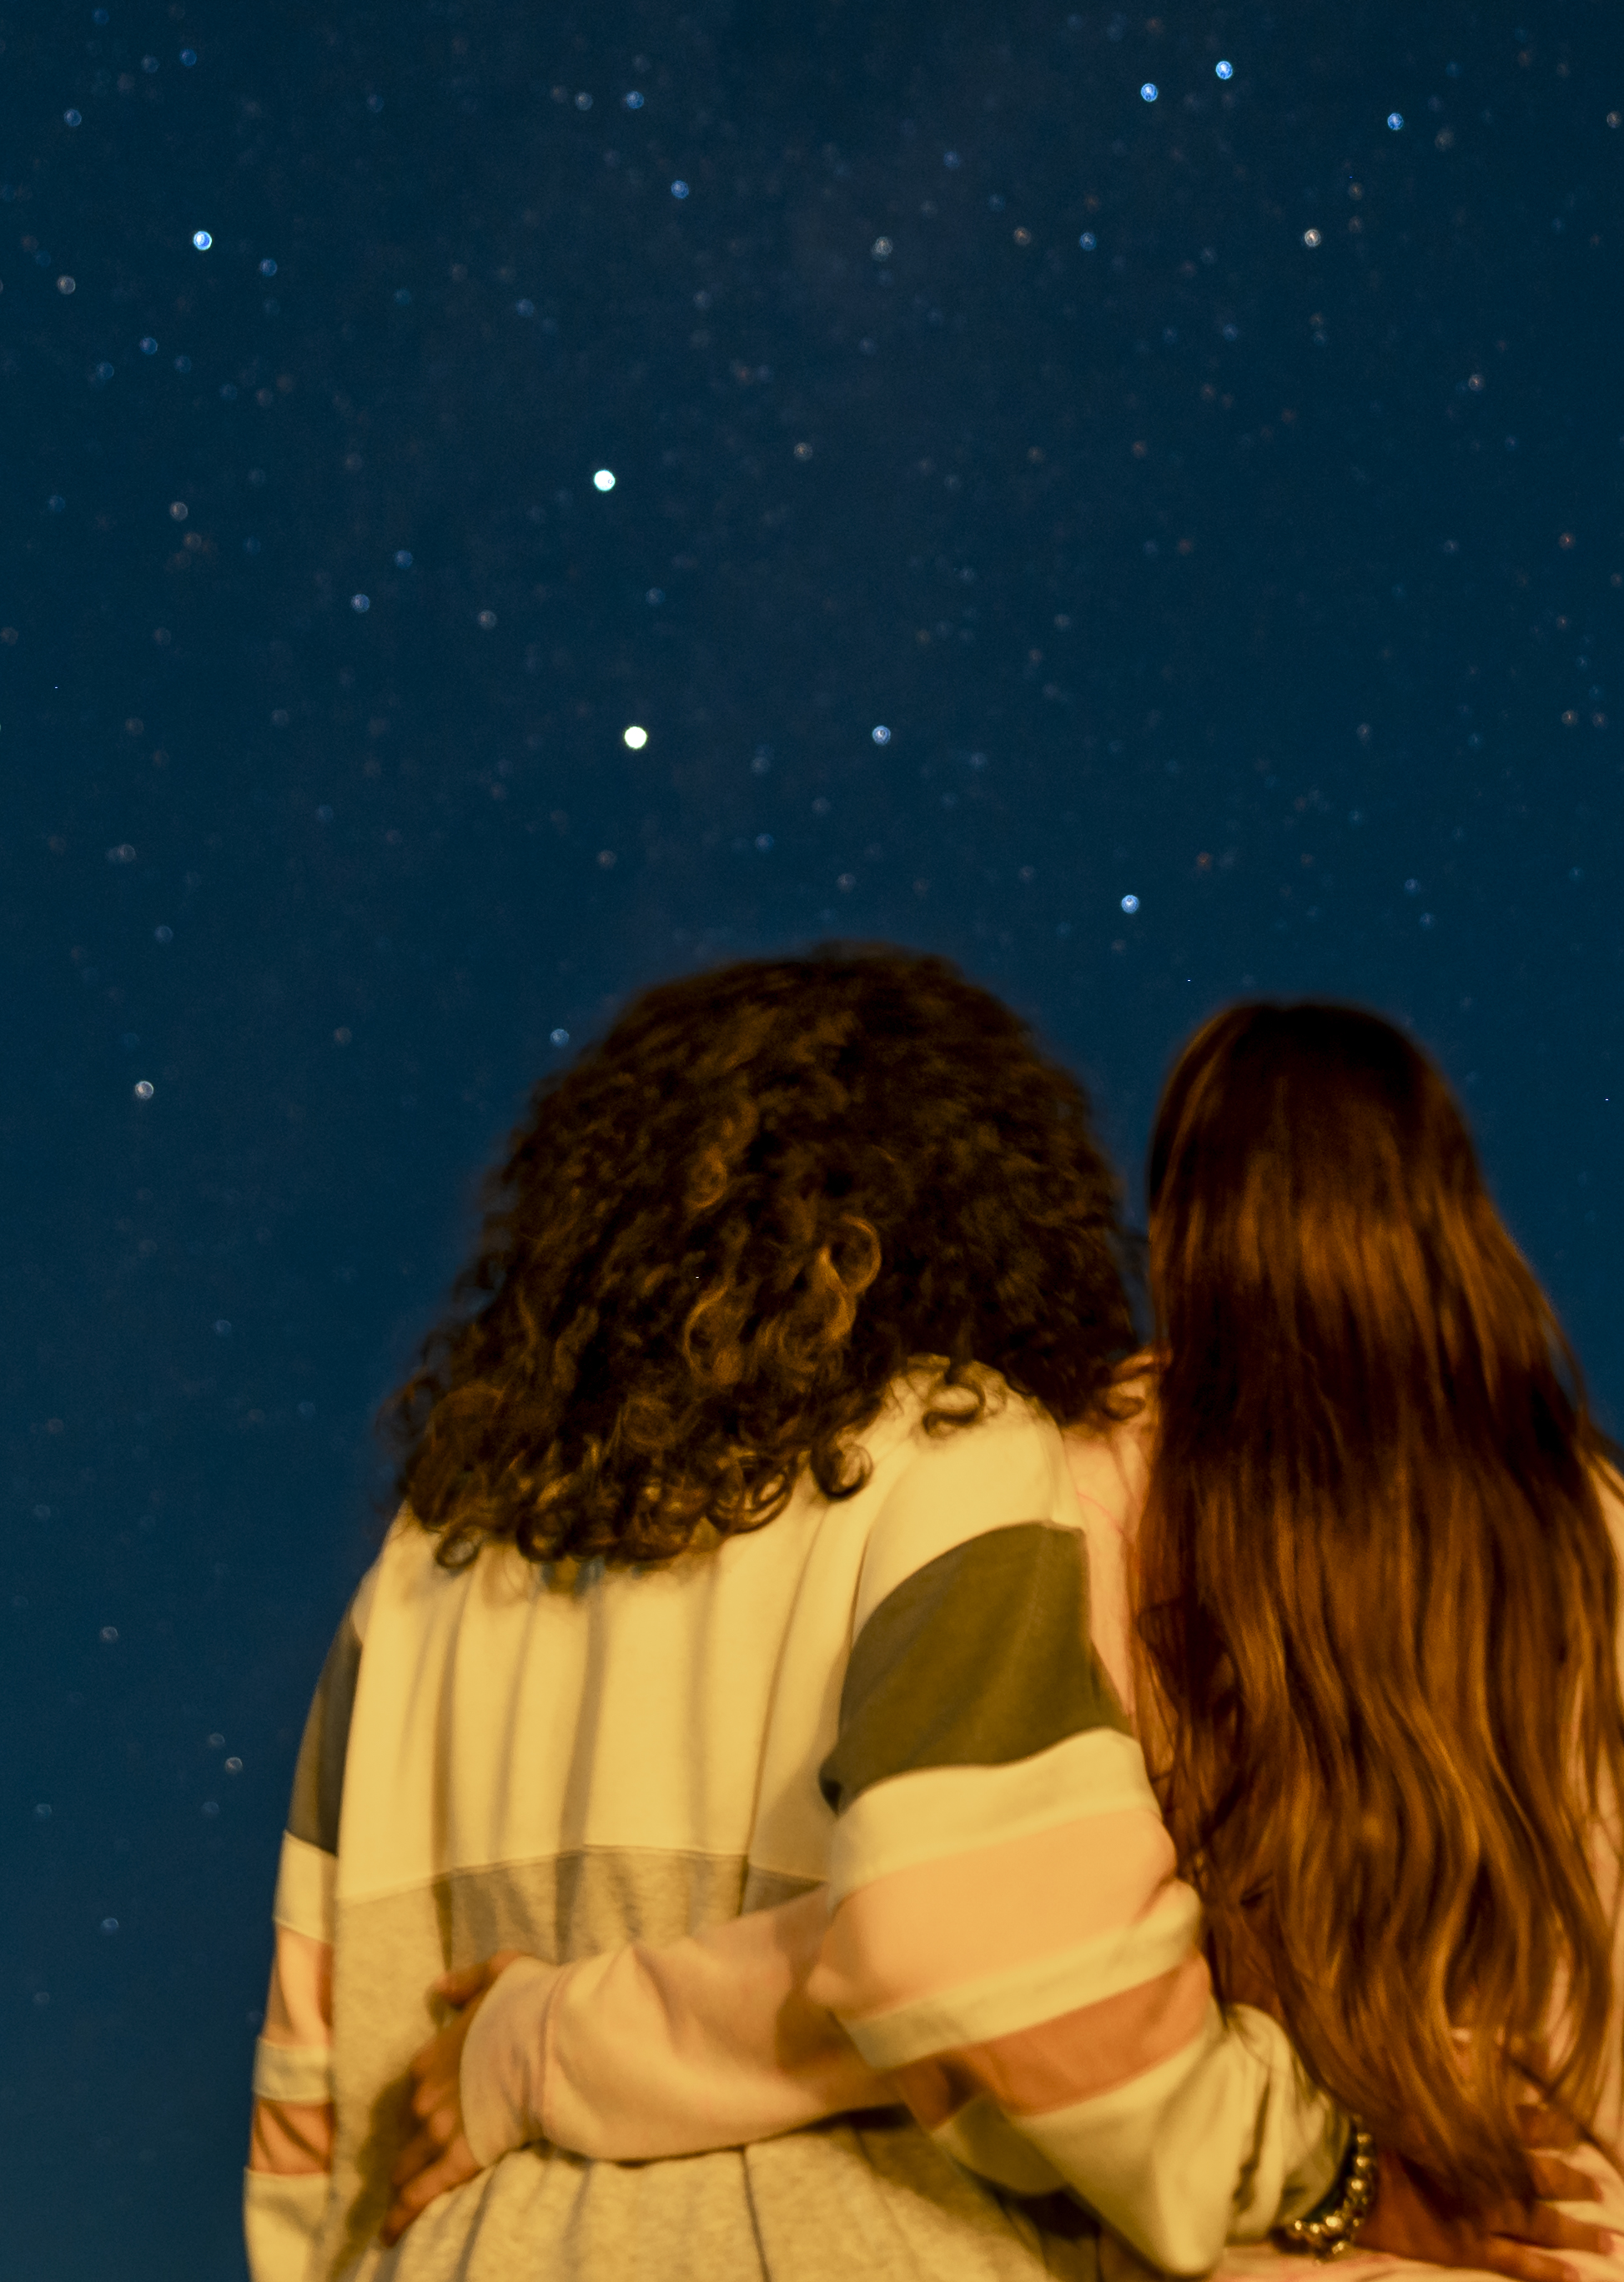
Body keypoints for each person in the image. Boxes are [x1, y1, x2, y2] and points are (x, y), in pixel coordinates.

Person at [404, 1000, 1624, 2279]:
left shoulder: (1087, 1488)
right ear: (1454, 1208)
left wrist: (536, 2045)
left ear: (1181, 1218)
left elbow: (949, 1950)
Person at [242, 946, 1361, 2282]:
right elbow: (990, 1944)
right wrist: (1302, 2161)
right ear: (976, 1203)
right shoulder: (949, 1455)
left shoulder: (421, 1577)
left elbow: (318, 2116)